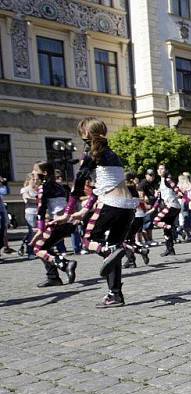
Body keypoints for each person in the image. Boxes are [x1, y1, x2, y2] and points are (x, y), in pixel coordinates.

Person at [52, 118, 138, 307]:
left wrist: (68, 211)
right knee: (113, 250)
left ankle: (110, 252)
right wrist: (83, 211)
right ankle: (114, 294)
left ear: (85, 134)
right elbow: (103, 187)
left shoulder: (91, 154)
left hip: (111, 204)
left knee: (88, 241)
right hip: (128, 206)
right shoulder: (112, 154)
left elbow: (79, 184)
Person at [29, 162, 78, 286]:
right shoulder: (58, 186)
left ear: (44, 173)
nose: (33, 173)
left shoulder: (43, 188)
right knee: (45, 247)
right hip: (68, 223)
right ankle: (53, 277)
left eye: (35, 170)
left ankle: (65, 264)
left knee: (37, 248)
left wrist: (40, 229)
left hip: (59, 223)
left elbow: (41, 209)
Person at [152, 163, 184, 256]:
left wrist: (179, 192)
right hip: (172, 207)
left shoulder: (167, 179)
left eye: (163, 169)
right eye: (160, 169)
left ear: (166, 170)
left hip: (172, 206)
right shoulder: (161, 181)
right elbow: (162, 196)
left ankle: (176, 229)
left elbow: (174, 186)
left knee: (156, 221)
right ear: (158, 171)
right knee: (166, 229)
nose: (161, 170)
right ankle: (170, 249)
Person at [20, 172, 40, 258]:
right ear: (29, 180)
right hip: (30, 213)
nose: (35, 181)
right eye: (33, 180)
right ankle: (30, 252)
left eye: (36, 179)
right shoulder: (25, 189)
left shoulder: (38, 189)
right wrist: (38, 200)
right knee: (32, 232)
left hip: (39, 212)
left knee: (39, 232)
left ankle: (37, 249)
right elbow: (27, 199)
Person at [137, 169, 158, 246]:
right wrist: (145, 205)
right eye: (150, 175)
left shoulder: (151, 183)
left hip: (151, 205)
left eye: (153, 175)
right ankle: (147, 240)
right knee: (147, 224)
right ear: (146, 175)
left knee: (150, 223)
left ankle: (150, 239)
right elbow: (141, 195)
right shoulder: (143, 183)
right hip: (146, 206)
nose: (152, 177)